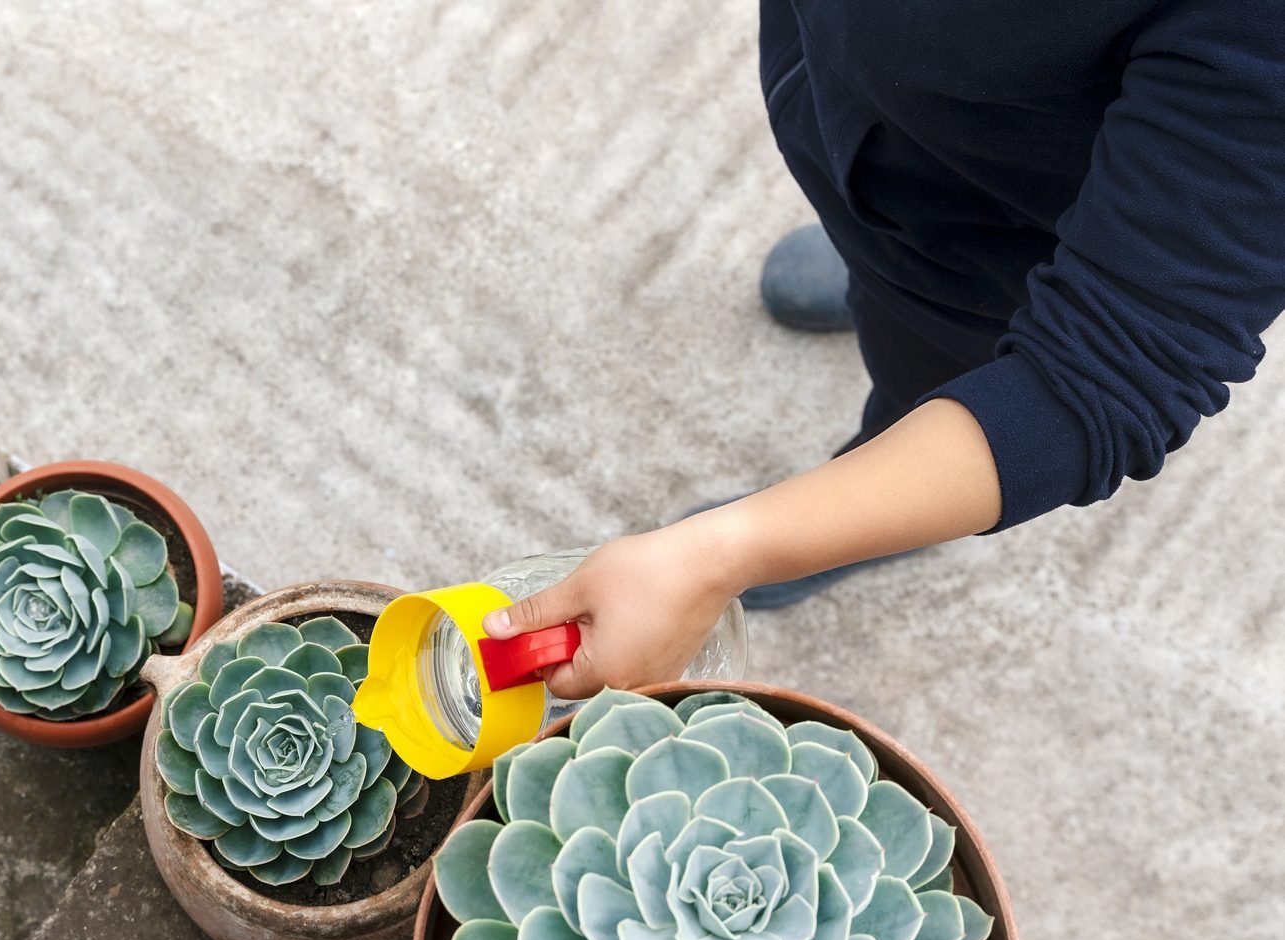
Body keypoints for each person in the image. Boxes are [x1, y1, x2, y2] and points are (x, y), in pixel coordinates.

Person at [488, 0, 1285, 696]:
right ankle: (872, 250)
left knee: (926, 376)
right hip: (865, 104)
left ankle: (868, 475)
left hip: (989, 251)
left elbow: (1099, 381)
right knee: (871, 234)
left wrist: (724, 553)